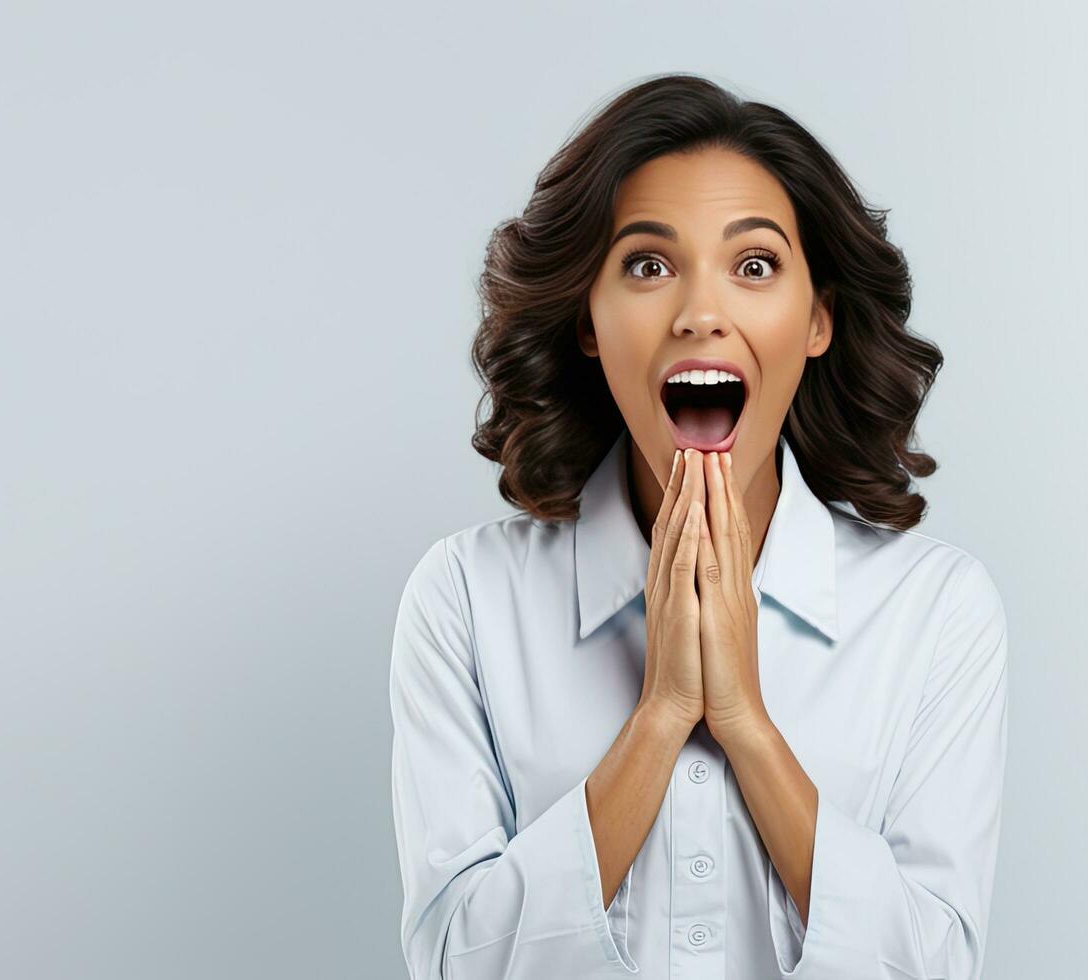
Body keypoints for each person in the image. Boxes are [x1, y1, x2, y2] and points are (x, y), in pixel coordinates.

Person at [387, 73, 1009, 980]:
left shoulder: (936, 611)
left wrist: (745, 725)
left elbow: (933, 965)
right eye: (647, 265)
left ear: (817, 321)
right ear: (590, 322)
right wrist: (664, 714)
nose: (700, 313)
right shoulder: (466, 599)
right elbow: (454, 963)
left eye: (754, 266)